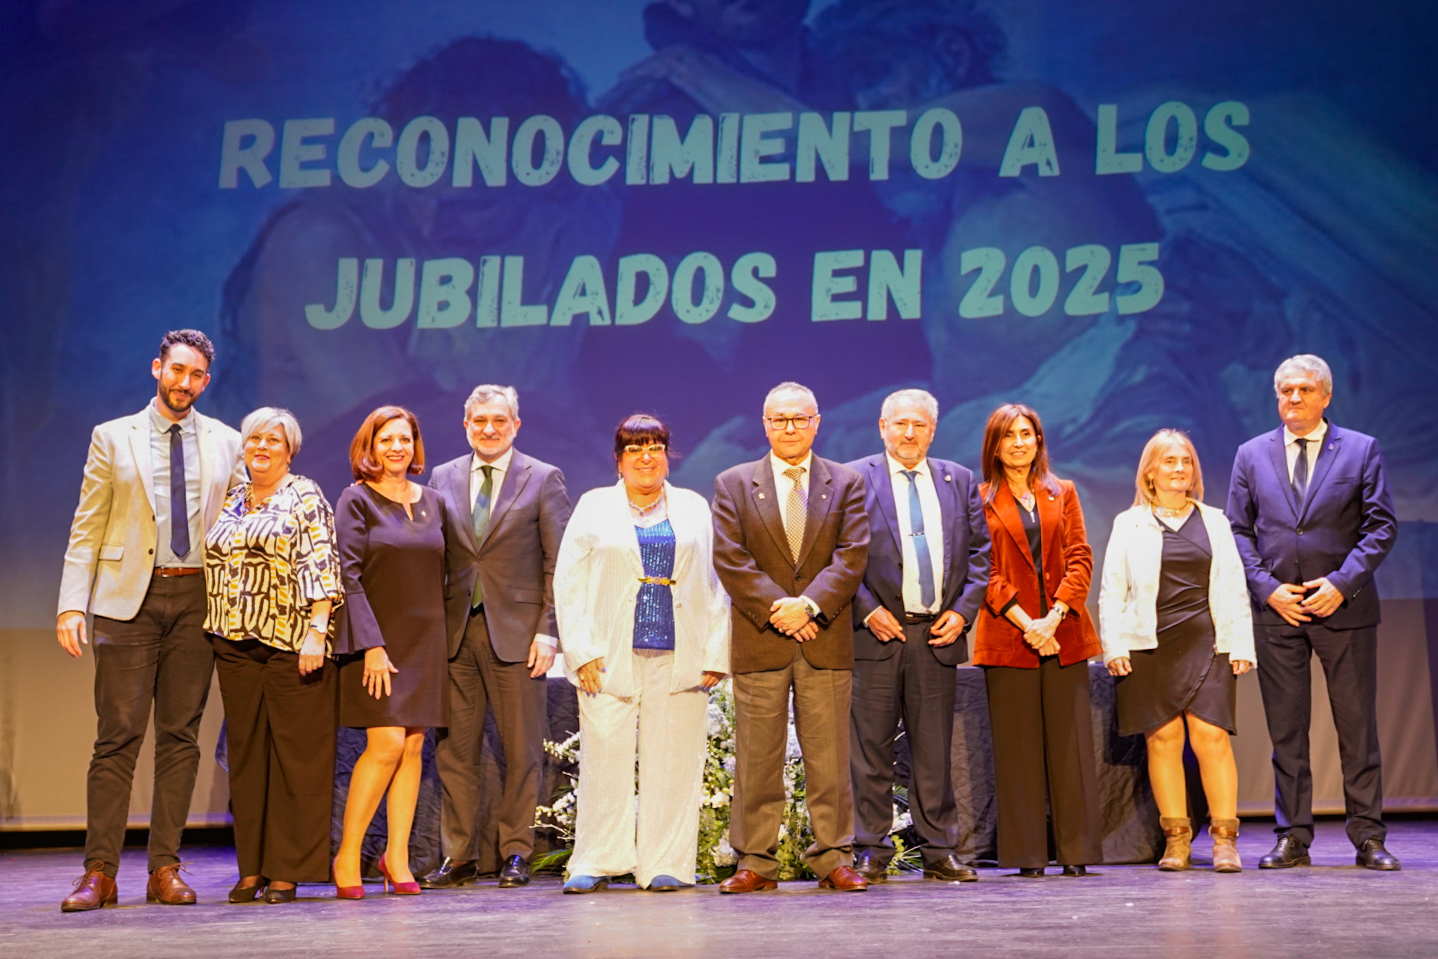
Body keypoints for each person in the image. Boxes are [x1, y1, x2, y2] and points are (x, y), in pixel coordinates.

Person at [57, 329, 243, 912]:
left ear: (206, 381)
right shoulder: (113, 436)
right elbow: (88, 524)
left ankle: (165, 866)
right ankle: (99, 872)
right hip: (127, 601)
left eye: (196, 375)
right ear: (157, 369)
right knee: (117, 737)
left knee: (180, 737)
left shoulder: (228, 441)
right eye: (177, 370)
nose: (184, 382)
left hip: (197, 600)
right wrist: (71, 603)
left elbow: (241, 526)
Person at [1226, 354, 1400, 870]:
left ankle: (1368, 837)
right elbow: (1238, 530)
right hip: (1278, 613)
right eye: (1285, 390)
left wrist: (1341, 584)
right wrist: (1267, 589)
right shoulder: (1251, 454)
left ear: (1326, 396)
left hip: (1344, 610)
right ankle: (1293, 838)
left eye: (1304, 389)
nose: (1294, 398)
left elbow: (1381, 526)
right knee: (1287, 734)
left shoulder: (1361, 449)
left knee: (1357, 730)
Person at [554, 415, 730, 893]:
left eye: (655, 447)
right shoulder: (594, 506)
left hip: (681, 651)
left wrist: (716, 650)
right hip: (608, 654)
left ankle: (665, 863)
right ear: (619, 460)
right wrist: (580, 651)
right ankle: (597, 860)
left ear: (668, 456)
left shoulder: (693, 507)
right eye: (634, 449)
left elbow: (717, 581)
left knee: (674, 760)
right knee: (604, 758)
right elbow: (568, 582)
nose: (646, 457)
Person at [711, 382, 870, 892]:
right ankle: (755, 862)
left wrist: (810, 606)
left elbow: (852, 556)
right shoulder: (734, 483)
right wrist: (780, 609)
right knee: (757, 760)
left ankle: (834, 857)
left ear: (816, 423)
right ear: (765, 424)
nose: (790, 428)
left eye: (799, 418)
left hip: (824, 640)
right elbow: (730, 558)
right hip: (763, 639)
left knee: (830, 761)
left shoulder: (846, 482)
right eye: (779, 419)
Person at [421, 385, 572, 889]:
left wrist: (548, 632)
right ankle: (459, 855)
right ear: (466, 425)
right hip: (455, 635)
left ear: (515, 426)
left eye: (499, 421)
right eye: (480, 420)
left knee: (521, 751)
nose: (489, 429)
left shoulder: (543, 477)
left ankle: (515, 852)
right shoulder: (442, 476)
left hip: (520, 635)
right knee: (454, 752)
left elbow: (558, 563)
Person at [844, 389, 990, 883]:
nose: (909, 433)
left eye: (920, 425)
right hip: (876, 637)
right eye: (901, 424)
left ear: (933, 430)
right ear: (882, 427)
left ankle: (940, 851)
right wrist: (867, 610)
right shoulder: (853, 478)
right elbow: (840, 556)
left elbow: (981, 556)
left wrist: (963, 613)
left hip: (936, 637)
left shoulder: (958, 479)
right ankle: (870, 849)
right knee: (870, 751)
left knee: (933, 752)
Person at [204, 407, 344, 904]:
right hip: (234, 644)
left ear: (291, 450)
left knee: (296, 760)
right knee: (247, 758)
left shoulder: (304, 495)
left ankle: (287, 870)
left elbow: (322, 564)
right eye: (254, 439)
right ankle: (252, 868)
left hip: (293, 643)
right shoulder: (232, 498)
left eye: (273, 441)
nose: (262, 447)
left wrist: (317, 631)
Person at [1099, 430, 1254, 872]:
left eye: (1186, 461)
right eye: (1169, 461)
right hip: (1150, 643)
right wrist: (1115, 645)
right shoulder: (1129, 524)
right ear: (1150, 472)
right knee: (1164, 739)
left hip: (1208, 641)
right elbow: (1112, 590)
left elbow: (1234, 586)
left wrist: (1241, 643)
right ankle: (1176, 839)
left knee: (1211, 737)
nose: (1179, 469)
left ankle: (1224, 839)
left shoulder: (1215, 522)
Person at [973, 403, 1102, 877]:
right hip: (1010, 637)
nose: (1019, 443)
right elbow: (982, 570)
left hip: (1064, 634)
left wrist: (1055, 616)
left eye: (1026, 434)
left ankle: (1076, 852)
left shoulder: (1063, 491)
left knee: (1071, 747)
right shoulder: (978, 499)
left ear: (1039, 441)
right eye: (1009, 436)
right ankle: (1027, 855)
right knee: (1018, 751)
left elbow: (1080, 557)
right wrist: (1029, 623)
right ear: (995, 446)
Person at [332, 407, 450, 898]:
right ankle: (347, 855)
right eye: (386, 440)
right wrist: (371, 644)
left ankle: (396, 856)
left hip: (427, 640)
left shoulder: (435, 502)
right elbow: (347, 575)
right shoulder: (356, 500)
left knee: (415, 745)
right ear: (370, 447)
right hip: (377, 640)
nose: (397, 447)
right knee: (385, 744)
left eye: (405, 439)